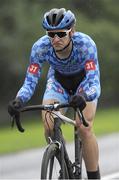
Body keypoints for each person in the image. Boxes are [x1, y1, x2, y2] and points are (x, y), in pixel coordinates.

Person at [8, 8, 101, 179]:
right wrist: (19, 99)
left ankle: (94, 176)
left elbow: (94, 82)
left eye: (60, 33)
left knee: (83, 127)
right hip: (58, 83)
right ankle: (63, 164)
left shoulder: (86, 44)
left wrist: (85, 96)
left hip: (84, 85)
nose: (55, 39)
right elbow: (30, 81)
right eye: (51, 34)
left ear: (71, 31)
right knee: (49, 127)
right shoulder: (40, 47)